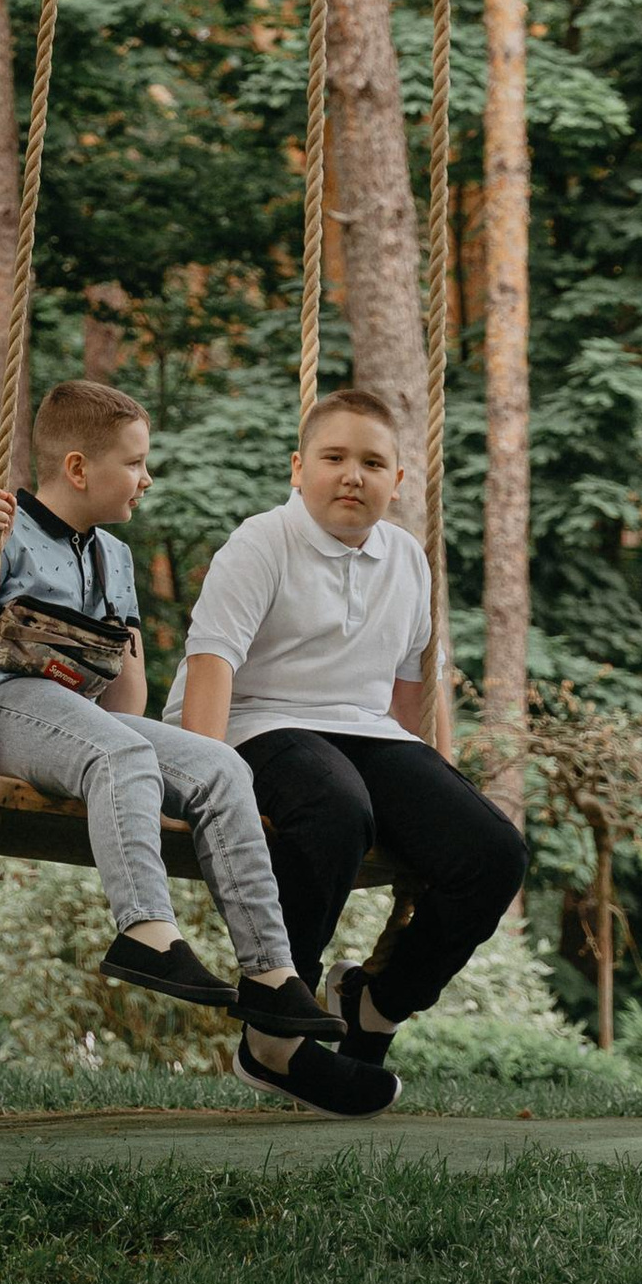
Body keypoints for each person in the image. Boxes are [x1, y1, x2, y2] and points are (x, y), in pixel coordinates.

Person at [0, 375, 344, 1068]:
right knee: (122, 756)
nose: (147, 479)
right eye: (136, 462)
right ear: (79, 468)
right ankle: (145, 931)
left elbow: (125, 711)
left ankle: (271, 973)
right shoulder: (5, 528)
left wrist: (122, 646)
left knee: (220, 768)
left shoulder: (113, 558)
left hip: (74, 723)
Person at [169, 383, 528, 1116]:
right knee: (335, 806)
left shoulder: (408, 561)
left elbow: (404, 698)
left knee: (492, 851)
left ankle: (376, 1005)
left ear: (397, 481)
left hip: (362, 730)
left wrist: (431, 798)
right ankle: (273, 1037)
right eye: (333, 457)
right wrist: (203, 778)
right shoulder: (261, 541)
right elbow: (212, 666)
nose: (351, 475)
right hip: (252, 722)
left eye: (372, 462)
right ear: (298, 468)